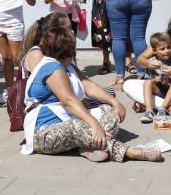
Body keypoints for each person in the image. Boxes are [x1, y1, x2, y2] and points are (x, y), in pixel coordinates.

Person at [22, 17, 161, 163]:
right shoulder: (52, 68)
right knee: (80, 126)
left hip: (67, 119)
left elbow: (89, 85)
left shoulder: (67, 65)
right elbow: (69, 102)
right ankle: (128, 152)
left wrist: (114, 102)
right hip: (43, 134)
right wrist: (94, 124)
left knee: (108, 111)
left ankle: (90, 145)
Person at [138, 32, 171, 122]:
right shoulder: (152, 62)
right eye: (162, 49)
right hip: (159, 90)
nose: (167, 51)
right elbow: (148, 78)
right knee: (147, 83)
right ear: (154, 51)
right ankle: (149, 111)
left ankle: (163, 109)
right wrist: (155, 80)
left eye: (168, 47)